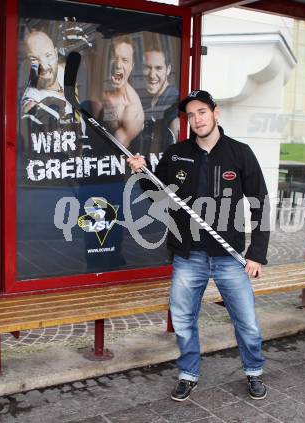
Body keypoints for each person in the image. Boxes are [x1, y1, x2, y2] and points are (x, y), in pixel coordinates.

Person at [127, 90, 270, 402]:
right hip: (188, 254)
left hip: (229, 256)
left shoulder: (240, 153)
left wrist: (257, 253)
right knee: (183, 319)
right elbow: (159, 197)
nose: (196, 119)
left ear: (215, 113)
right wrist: (142, 175)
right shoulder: (176, 154)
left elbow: (260, 203)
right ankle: (188, 373)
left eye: (201, 112)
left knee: (246, 321)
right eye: (190, 115)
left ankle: (254, 372)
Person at [92, 37, 144, 148]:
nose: (118, 65)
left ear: (131, 66)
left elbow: (115, 149)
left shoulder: (131, 109)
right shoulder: (103, 89)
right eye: (114, 58)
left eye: (124, 60)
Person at [21, 30, 75, 131]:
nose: (44, 66)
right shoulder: (33, 99)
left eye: (48, 55)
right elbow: (29, 108)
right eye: (34, 59)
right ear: (26, 64)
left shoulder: (64, 78)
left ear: (56, 54)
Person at [137, 47, 179, 171]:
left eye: (158, 68)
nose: (152, 74)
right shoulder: (148, 101)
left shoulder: (174, 102)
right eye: (147, 67)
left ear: (168, 69)